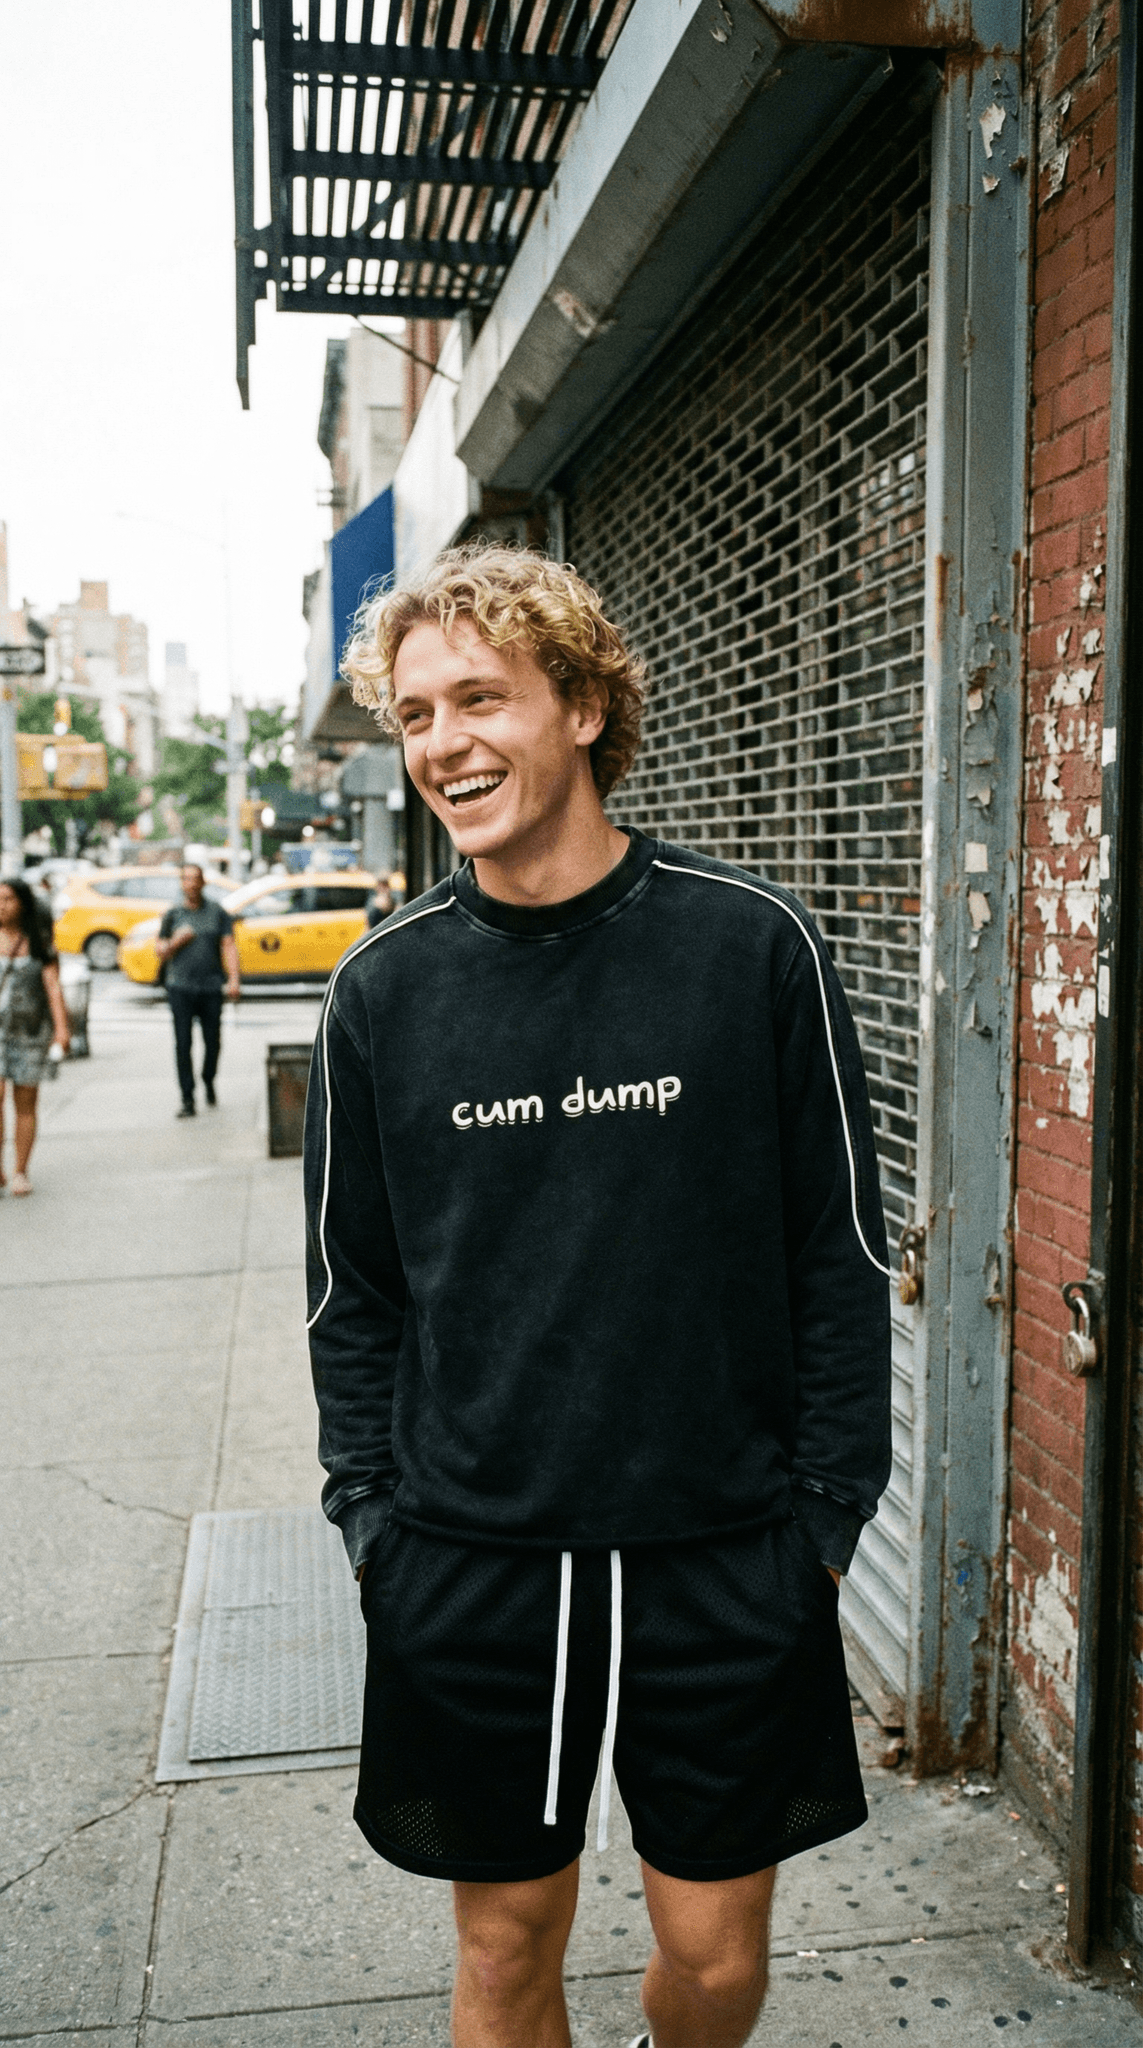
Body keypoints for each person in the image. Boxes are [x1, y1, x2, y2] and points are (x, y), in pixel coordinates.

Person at [304, 546, 891, 2048]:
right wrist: (371, 1517)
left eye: (479, 699)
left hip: (720, 1550)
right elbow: (350, 1294)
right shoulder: (382, 992)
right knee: (501, 1957)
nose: (442, 744)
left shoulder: (747, 946)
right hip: (474, 1559)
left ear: (577, 704)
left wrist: (821, 1521)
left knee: (710, 1958)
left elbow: (838, 1253)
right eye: (416, 712)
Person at [0, 876, 70, 1196]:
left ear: (23, 904)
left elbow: (53, 987)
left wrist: (62, 1029)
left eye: (8, 900)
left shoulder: (39, 942)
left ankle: (20, 1171)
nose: (1, 906)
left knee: (25, 1104)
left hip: (29, 1033)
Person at [156, 863, 240, 1119]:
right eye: (186, 879)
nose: (191, 883)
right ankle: (187, 1098)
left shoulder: (217, 912)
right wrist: (175, 942)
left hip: (211, 987)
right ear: (182, 883)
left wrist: (234, 979)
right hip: (180, 987)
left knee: (213, 1042)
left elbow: (228, 946)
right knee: (183, 1044)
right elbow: (159, 950)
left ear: (203, 882)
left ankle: (208, 1078)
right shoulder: (172, 914)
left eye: (196, 879)